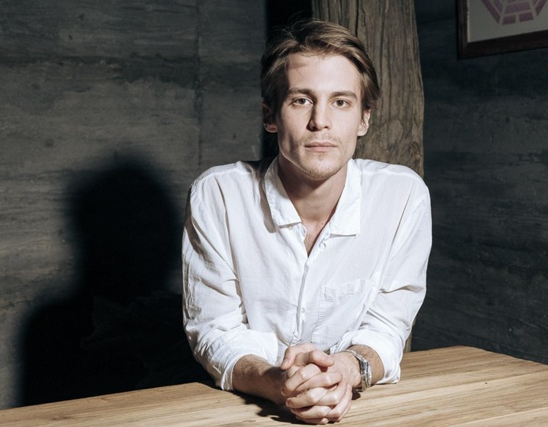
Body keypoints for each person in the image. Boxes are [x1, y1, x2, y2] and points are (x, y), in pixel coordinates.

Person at [182, 19, 432, 425]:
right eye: (301, 100)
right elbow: (214, 331)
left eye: (341, 102)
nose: (321, 121)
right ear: (271, 116)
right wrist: (279, 382)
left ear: (364, 119)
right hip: (239, 411)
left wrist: (345, 370)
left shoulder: (403, 197)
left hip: (357, 411)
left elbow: (388, 325)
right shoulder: (218, 195)